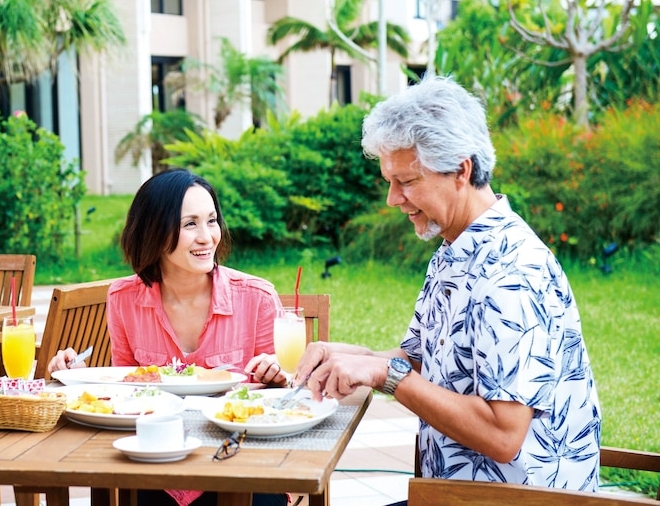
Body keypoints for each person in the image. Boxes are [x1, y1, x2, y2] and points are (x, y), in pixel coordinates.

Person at [294, 74, 601, 494]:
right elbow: (420, 360)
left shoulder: (511, 274)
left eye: (406, 181)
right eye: (390, 181)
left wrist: (385, 373)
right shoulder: (456, 249)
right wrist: (347, 356)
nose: (392, 199)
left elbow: (502, 436)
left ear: (461, 170)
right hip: (456, 494)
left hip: (515, 501)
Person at [48, 168, 288, 506]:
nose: (207, 237)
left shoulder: (256, 297)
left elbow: (288, 395)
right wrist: (71, 375)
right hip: (159, 458)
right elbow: (125, 390)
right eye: (190, 224)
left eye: (211, 221)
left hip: (243, 458)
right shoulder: (124, 298)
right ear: (154, 232)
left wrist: (278, 373)